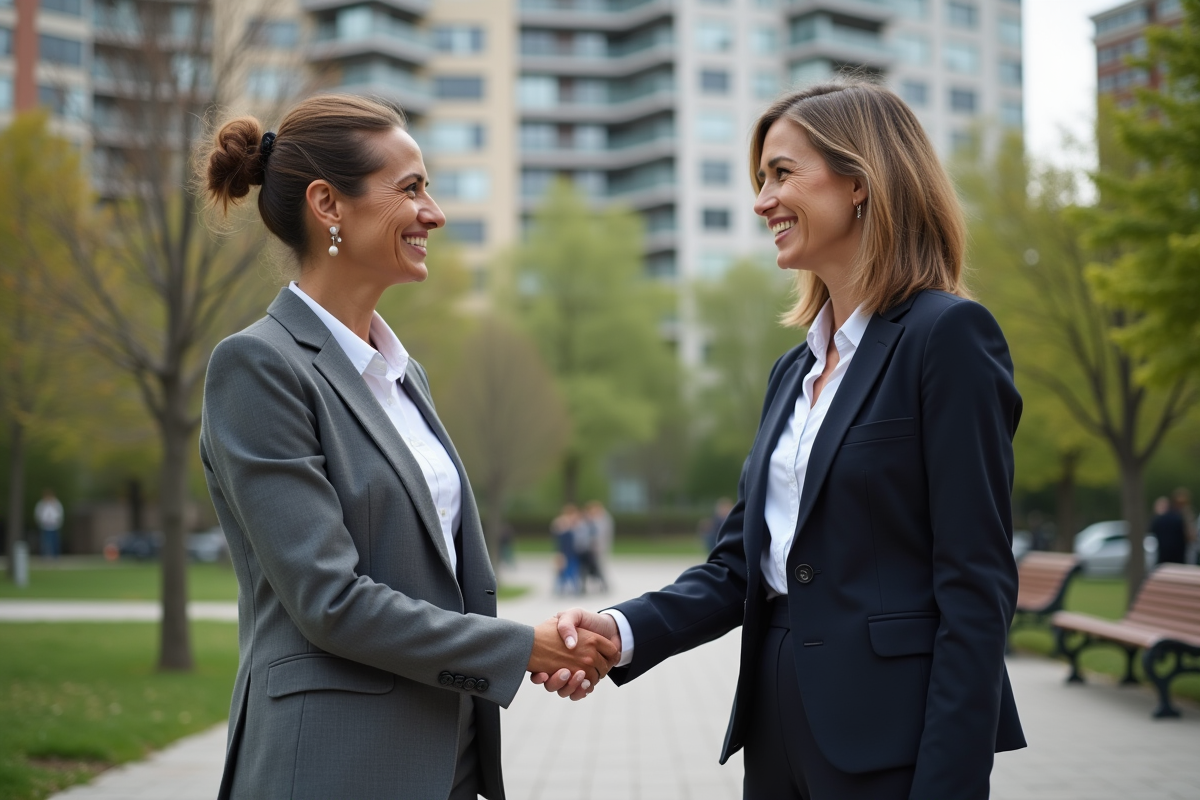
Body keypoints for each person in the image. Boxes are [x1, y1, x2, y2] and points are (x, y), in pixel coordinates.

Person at [538, 81, 1026, 799]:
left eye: (781, 174)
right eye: (760, 179)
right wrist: (618, 630)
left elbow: (976, 587)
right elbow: (739, 567)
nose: (762, 200)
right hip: (777, 730)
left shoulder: (946, 338)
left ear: (860, 181)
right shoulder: (792, 371)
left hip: (893, 739)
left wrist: (950, 784)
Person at [198, 94, 616, 800]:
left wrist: (528, 653)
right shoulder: (259, 368)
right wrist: (521, 649)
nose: (435, 213)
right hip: (332, 769)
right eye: (412, 189)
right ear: (328, 204)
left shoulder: (400, 373)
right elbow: (329, 600)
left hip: (444, 762)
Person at [1151, 488, 1194, 565]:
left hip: (1162, 560)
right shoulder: (1181, 519)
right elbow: (1191, 538)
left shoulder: (1160, 519)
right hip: (1179, 560)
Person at [580, 501, 611, 593]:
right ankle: (584, 586)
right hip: (588, 550)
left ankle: (603, 585)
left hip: (598, 549)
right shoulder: (588, 521)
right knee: (585, 569)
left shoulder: (603, 520)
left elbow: (602, 535)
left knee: (598, 568)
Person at [551, 505, 581, 596]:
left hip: (571, 553)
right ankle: (560, 589)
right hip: (564, 553)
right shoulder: (562, 527)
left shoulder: (575, 527)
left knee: (570, 572)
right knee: (562, 572)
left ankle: (572, 589)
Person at [34, 489, 64, 559]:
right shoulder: (41, 504)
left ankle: (55, 556)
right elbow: (38, 514)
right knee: (44, 542)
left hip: (54, 526)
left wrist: (58, 522)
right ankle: (44, 556)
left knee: (55, 542)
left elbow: (59, 514)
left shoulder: (56, 504)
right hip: (45, 526)